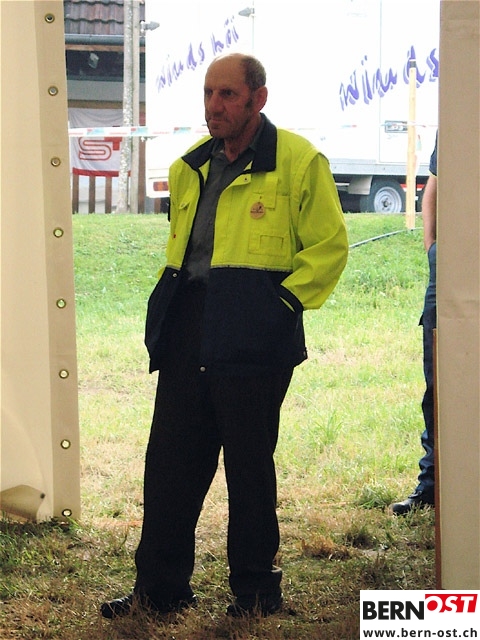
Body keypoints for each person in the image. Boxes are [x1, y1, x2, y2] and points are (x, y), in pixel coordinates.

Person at [101, 52, 348, 619]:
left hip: (256, 336)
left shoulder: (299, 161)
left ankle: (257, 595)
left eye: (228, 95)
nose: (215, 106)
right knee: (170, 466)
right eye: (209, 94)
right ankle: (159, 590)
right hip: (189, 327)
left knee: (248, 468)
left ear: (259, 98)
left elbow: (329, 247)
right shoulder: (190, 166)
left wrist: (281, 304)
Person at [391, 133, 437, 515]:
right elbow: (434, 187)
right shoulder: (457, 119)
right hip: (449, 266)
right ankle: (433, 484)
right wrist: (433, 248)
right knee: (438, 385)